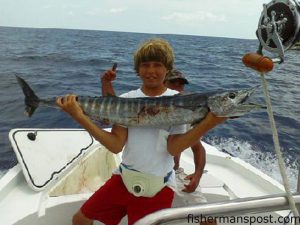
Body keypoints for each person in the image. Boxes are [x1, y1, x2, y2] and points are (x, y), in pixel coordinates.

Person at [57, 38, 225, 225]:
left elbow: (173, 149)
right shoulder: (128, 98)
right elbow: (115, 145)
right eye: (145, 65)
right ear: (137, 69)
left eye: (157, 65)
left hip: (158, 186)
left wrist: (210, 122)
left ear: (167, 69)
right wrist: (79, 116)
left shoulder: (179, 101)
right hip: (123, 178)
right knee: (80, 220)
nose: (151, 70)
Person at [102, 68, 212, 225]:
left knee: (207, 217)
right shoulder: (144, 110)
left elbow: (198, 148)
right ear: (164, 83)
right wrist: (106, 83)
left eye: (181, 85)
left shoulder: (184, 116)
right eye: (173, 83)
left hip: (172, 175)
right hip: (142, 177)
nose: (177, 88)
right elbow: (114, 109)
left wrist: (198, 174)